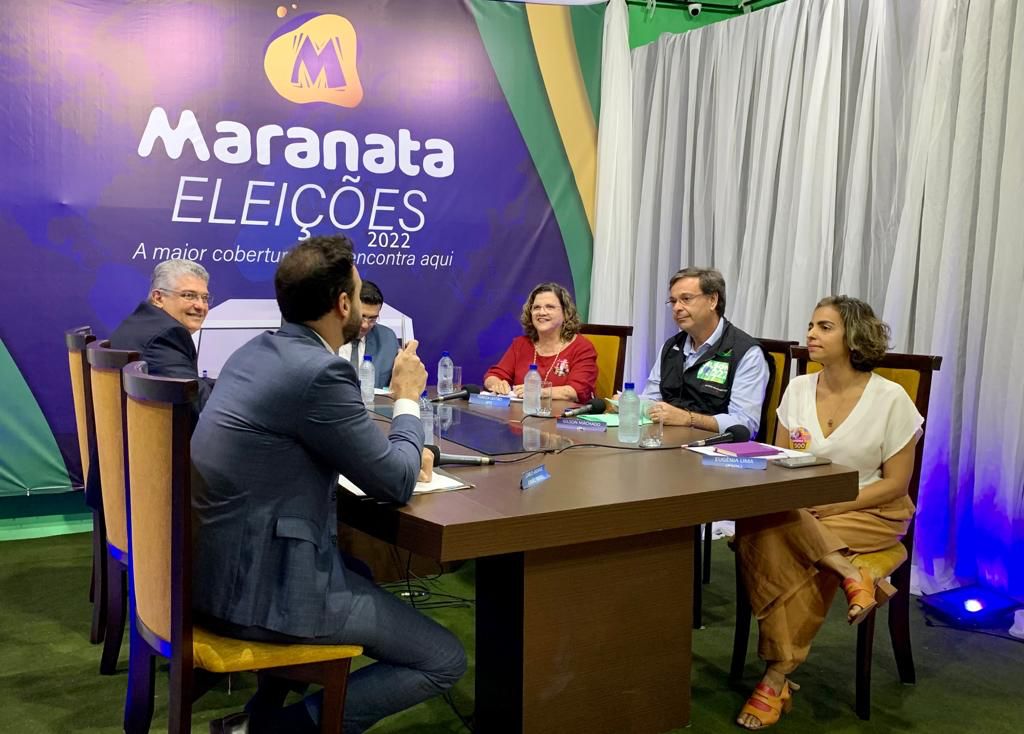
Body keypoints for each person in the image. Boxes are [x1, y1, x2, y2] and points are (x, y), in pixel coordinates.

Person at [190, 235, 465, 734]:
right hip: (263, 592)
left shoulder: (255, 351)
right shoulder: (319, 372)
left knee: (358, 567)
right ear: (343, 305)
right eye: (358, 295)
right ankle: (269, 731)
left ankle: (262, 714)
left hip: (214, 571)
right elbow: (397, 480)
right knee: (443, 659)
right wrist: (407, 397)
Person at [733, 296, 923, 730]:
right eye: (811, 325)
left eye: (824, 327)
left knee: (772, 538)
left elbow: (896, 483)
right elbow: (779, 460)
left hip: (870, 509)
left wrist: (836, 503)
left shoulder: (891, 398)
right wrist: (804, 503)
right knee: (762, 519)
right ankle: (849, 571)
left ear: (853, 337)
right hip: (804, 510)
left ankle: (776, 674)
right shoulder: (798, 388)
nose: (811, 334)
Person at [85, 259, 215, 510]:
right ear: (158, 297)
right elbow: (201, 405)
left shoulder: (141, 323)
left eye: (204, 298)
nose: (200, 306)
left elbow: (188, 382)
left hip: (119, 468)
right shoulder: (167, 335)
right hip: (148, 484)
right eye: (189, 296)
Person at [641, 267, 769, 436]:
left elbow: (745, 423)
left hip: (716, 448)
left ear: (713, 300)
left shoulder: (746, 352)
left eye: (686, 299)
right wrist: (630, 404)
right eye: (673, 301)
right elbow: (652, 399)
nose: (677, 308)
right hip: (667, 440)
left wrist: (689, 419)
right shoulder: (672, 347)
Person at [483, 282, 598, 402]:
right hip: (522, 412)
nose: (542, 312)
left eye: (550, 307)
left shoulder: (582, 347)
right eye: (536, 307)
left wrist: (539, 392)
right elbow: (493, 375)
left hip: (563, 413)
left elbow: (577, 390)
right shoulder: (520, 344)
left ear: (565, 313)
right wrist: (497, 384)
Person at [339, 279, 400, 388]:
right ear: (345, 308)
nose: (365, 325)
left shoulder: (387, 339)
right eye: (361, 317)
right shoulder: (325, 335)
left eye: (372, 319)